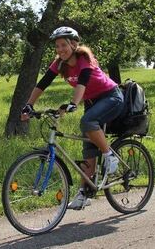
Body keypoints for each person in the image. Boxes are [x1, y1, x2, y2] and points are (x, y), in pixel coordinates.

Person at [20, 26, 124, 210]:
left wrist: (73, 103)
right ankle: (84, 194)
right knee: (88, 152)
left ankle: (110, 156)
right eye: (57, 46)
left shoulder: (84, 58)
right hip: (92, 102)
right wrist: (29, 105)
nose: (60, 49)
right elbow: (43, 83)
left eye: (63, 45)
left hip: (111, 97)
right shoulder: (59, 63)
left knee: (87, 122)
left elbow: (82, 82)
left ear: (74, 44)